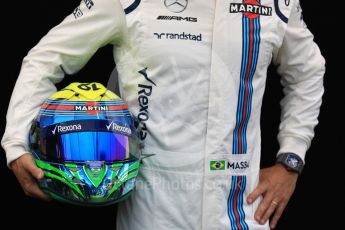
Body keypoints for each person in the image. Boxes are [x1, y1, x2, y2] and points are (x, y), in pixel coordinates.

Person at [2, 0, 325, 229]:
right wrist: (17, 143)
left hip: (242, 213)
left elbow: (308, 70)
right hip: (150, 212)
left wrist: (291, 160)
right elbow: (44, 59)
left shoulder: (276, 3)